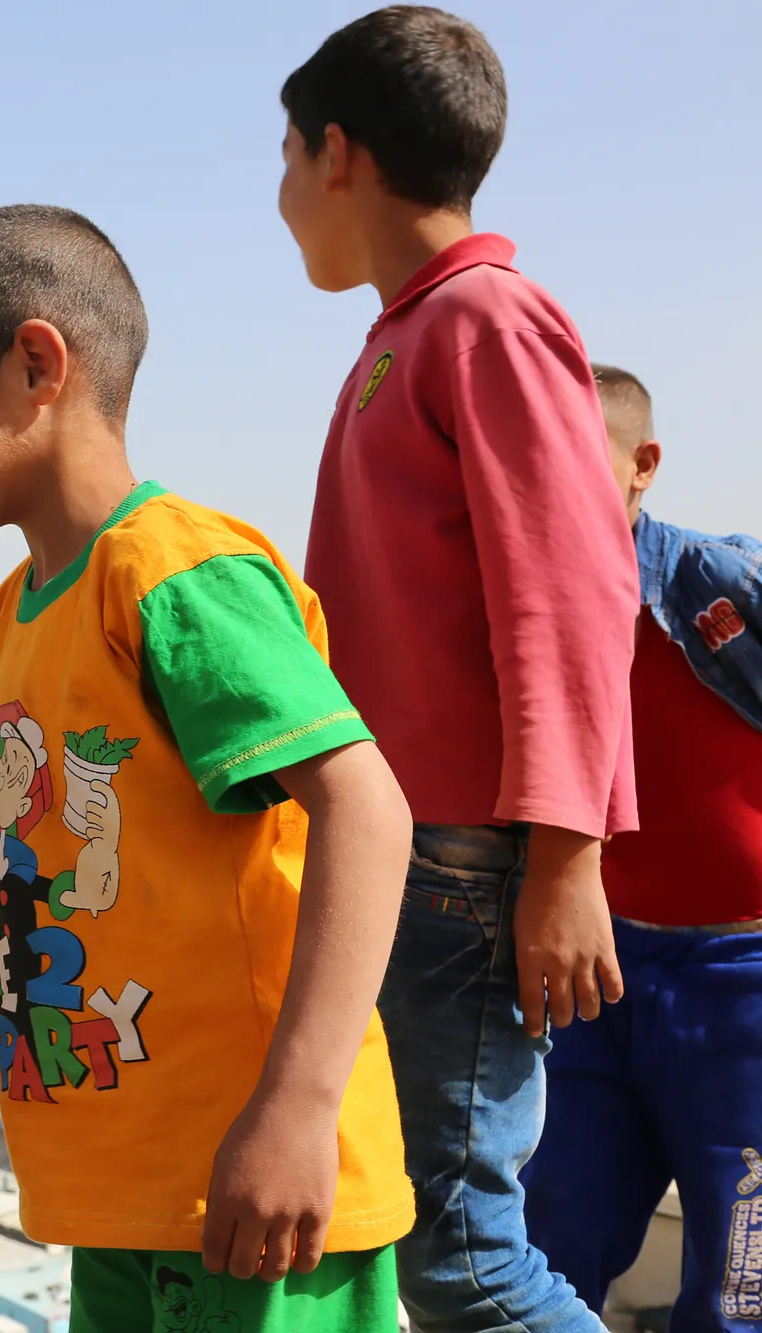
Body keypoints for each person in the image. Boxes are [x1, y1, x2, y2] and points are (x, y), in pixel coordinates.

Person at [0, 204, 417, 1332]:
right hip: (121, 1190)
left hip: (254, 1194)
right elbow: (11, 833)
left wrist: (295, 1108)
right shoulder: (10, 618)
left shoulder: (173, 575)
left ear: (35, 363)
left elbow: (364, 809)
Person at [277, 9, 640, 1331]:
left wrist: (567, 857)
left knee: (467, 1261)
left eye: (284, 156)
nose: (280, 197)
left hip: (470, 865)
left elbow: (571, 595)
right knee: (408, 1238)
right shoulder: (401, 335)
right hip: (408, 854)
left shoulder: (487, 318)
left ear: (338, 155)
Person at [523, 365, 762, 1330]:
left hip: (742, 979)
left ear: (642, 466)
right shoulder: (516, 612)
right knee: (537, 1250)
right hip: (598, 973)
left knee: (739, 1289)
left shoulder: (716, 583)